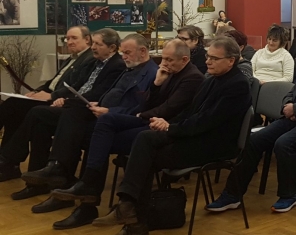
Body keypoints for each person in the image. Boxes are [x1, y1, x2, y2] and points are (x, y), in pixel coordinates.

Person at [94, 37, 252, 235]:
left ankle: (133, 219)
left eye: (214, 58)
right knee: (145, 138)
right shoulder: (212, 79)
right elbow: (191, 112)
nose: (208, 61)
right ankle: (129, 209)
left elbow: (207, 121)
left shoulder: (237, 85)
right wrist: (167, 123)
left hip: (214, 145)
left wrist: (172, 128)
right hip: (197, 136)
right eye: (208, 56)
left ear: (231, 61)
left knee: (146, 157)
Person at [48, 38, 204, 223]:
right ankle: (87, 184)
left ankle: (89, 194)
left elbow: (169, 108)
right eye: (163, 58)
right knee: (104, 122)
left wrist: (140, 115)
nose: (164, 63)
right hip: (150, 120)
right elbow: (150, 103)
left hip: (163, 126)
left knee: (97, 139)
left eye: (169, 60)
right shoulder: (169, 73)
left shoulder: (192, 77)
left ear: (184, 59)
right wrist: (156, 84)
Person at [20, 34, 159, 219]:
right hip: (105, 115)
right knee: (66, 115)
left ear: (142, 51)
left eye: (127, 52)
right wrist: (98, 103)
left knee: (83, 133)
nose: (123, 56)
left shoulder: (152, 73)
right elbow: (111, 94)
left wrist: (109, 110)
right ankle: (59, 177)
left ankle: (80, 196)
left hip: (123, 122)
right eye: (122, 52)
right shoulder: (130, 68)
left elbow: (141, 109)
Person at [207, 35, 296, 214]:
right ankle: (232, 194)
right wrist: (287, 106)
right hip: (293, 117)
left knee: (284, 144)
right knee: (254, 141)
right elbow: (292, 92)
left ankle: (290, 195)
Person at [4, 28, 127, 202]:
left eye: (98, 44)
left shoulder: (116, 65)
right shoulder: (95, 62)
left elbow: (99, 93)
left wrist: (67, 100)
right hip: (75, 105)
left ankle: (15, 159)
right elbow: (76, 85)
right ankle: (37, 181)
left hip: (88, 110)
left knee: (38, 112)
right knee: (39, 124)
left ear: (112, 47)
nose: (93, 47)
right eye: (93, 43)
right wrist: (63, 97)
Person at [0, 25, 93, 182]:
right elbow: (53, 81)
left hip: (59, 102)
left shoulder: (89, 59)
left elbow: (77, 86)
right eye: (67, 38)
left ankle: (7, 159)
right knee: (14, 108)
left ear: (87, 39)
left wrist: (51, 95)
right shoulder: (73, 57)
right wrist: (37, 91)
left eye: (74, 38)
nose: (69, 41)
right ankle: (9, 164)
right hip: (49, 96)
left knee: (15, 107)